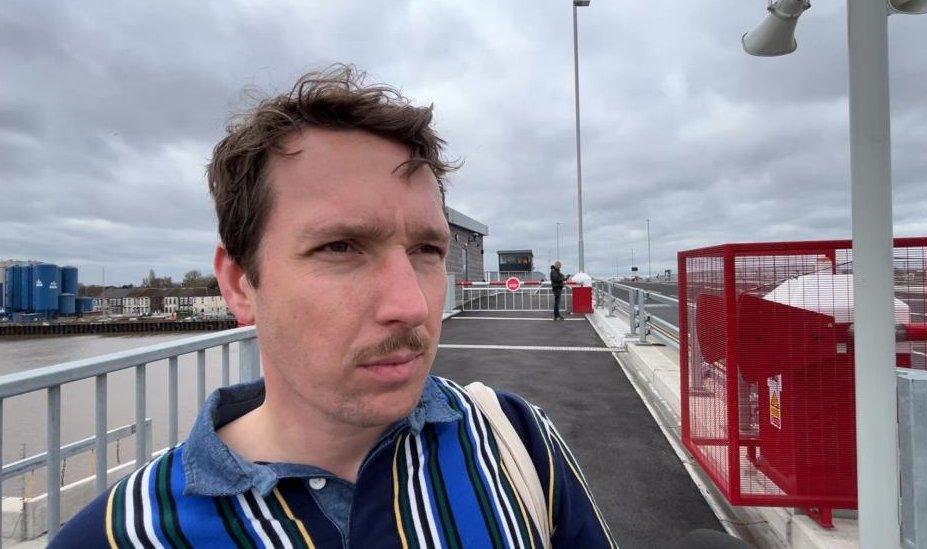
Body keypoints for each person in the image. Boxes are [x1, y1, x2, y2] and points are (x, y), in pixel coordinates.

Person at [50, 65, 616, 548]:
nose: (411, 305)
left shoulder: (517, 443)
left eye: (426, 250)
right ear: (241, 284)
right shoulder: (118, 534)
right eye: (340, 247)